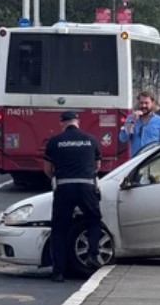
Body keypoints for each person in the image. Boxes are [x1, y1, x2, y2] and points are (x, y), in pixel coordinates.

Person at [44, 111, 103, 283]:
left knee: (60, 228)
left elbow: (47, 169)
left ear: (62, 123)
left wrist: (57, 177)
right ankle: (93, 253)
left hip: (64, 187)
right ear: (77, 122)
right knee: (93, 220)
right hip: (86, 186)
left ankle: (58, 272)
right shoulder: (91, 140)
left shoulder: (54, 141)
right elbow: (97, 165)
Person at [119, 91, 160, 156]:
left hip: (153, 161)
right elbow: (123, 138)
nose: (143, 106)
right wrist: (133, 121)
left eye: (146, 103)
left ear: (152, 103)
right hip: (136, 161)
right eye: (141, 103)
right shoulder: (131, 118)